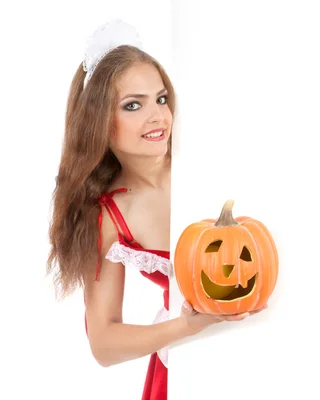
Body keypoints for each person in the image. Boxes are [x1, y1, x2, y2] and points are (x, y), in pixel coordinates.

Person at [46, 20, 266, 400]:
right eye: (133, 105)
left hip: (265, 344)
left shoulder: (207, 155)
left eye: (161, 98)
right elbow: (103, 343)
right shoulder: (109, 217)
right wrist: (188, 326)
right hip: (189, 368)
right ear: (98, 121)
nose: (158, 117)